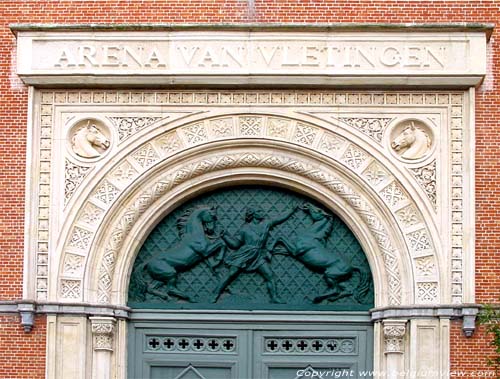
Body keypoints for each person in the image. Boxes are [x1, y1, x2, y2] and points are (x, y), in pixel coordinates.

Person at [211, 205, 299, 303]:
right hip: (244, 254)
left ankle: (274, 297)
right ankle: (215, 293)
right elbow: (235, 245)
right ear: (253, 214)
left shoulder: (266, 224)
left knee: (270, 275)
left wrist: (292, 210)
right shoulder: (245, 229)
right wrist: (224, 236)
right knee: (231, 274)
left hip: (258, 255)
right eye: (259, 211)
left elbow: (279, 218)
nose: (262, 213)